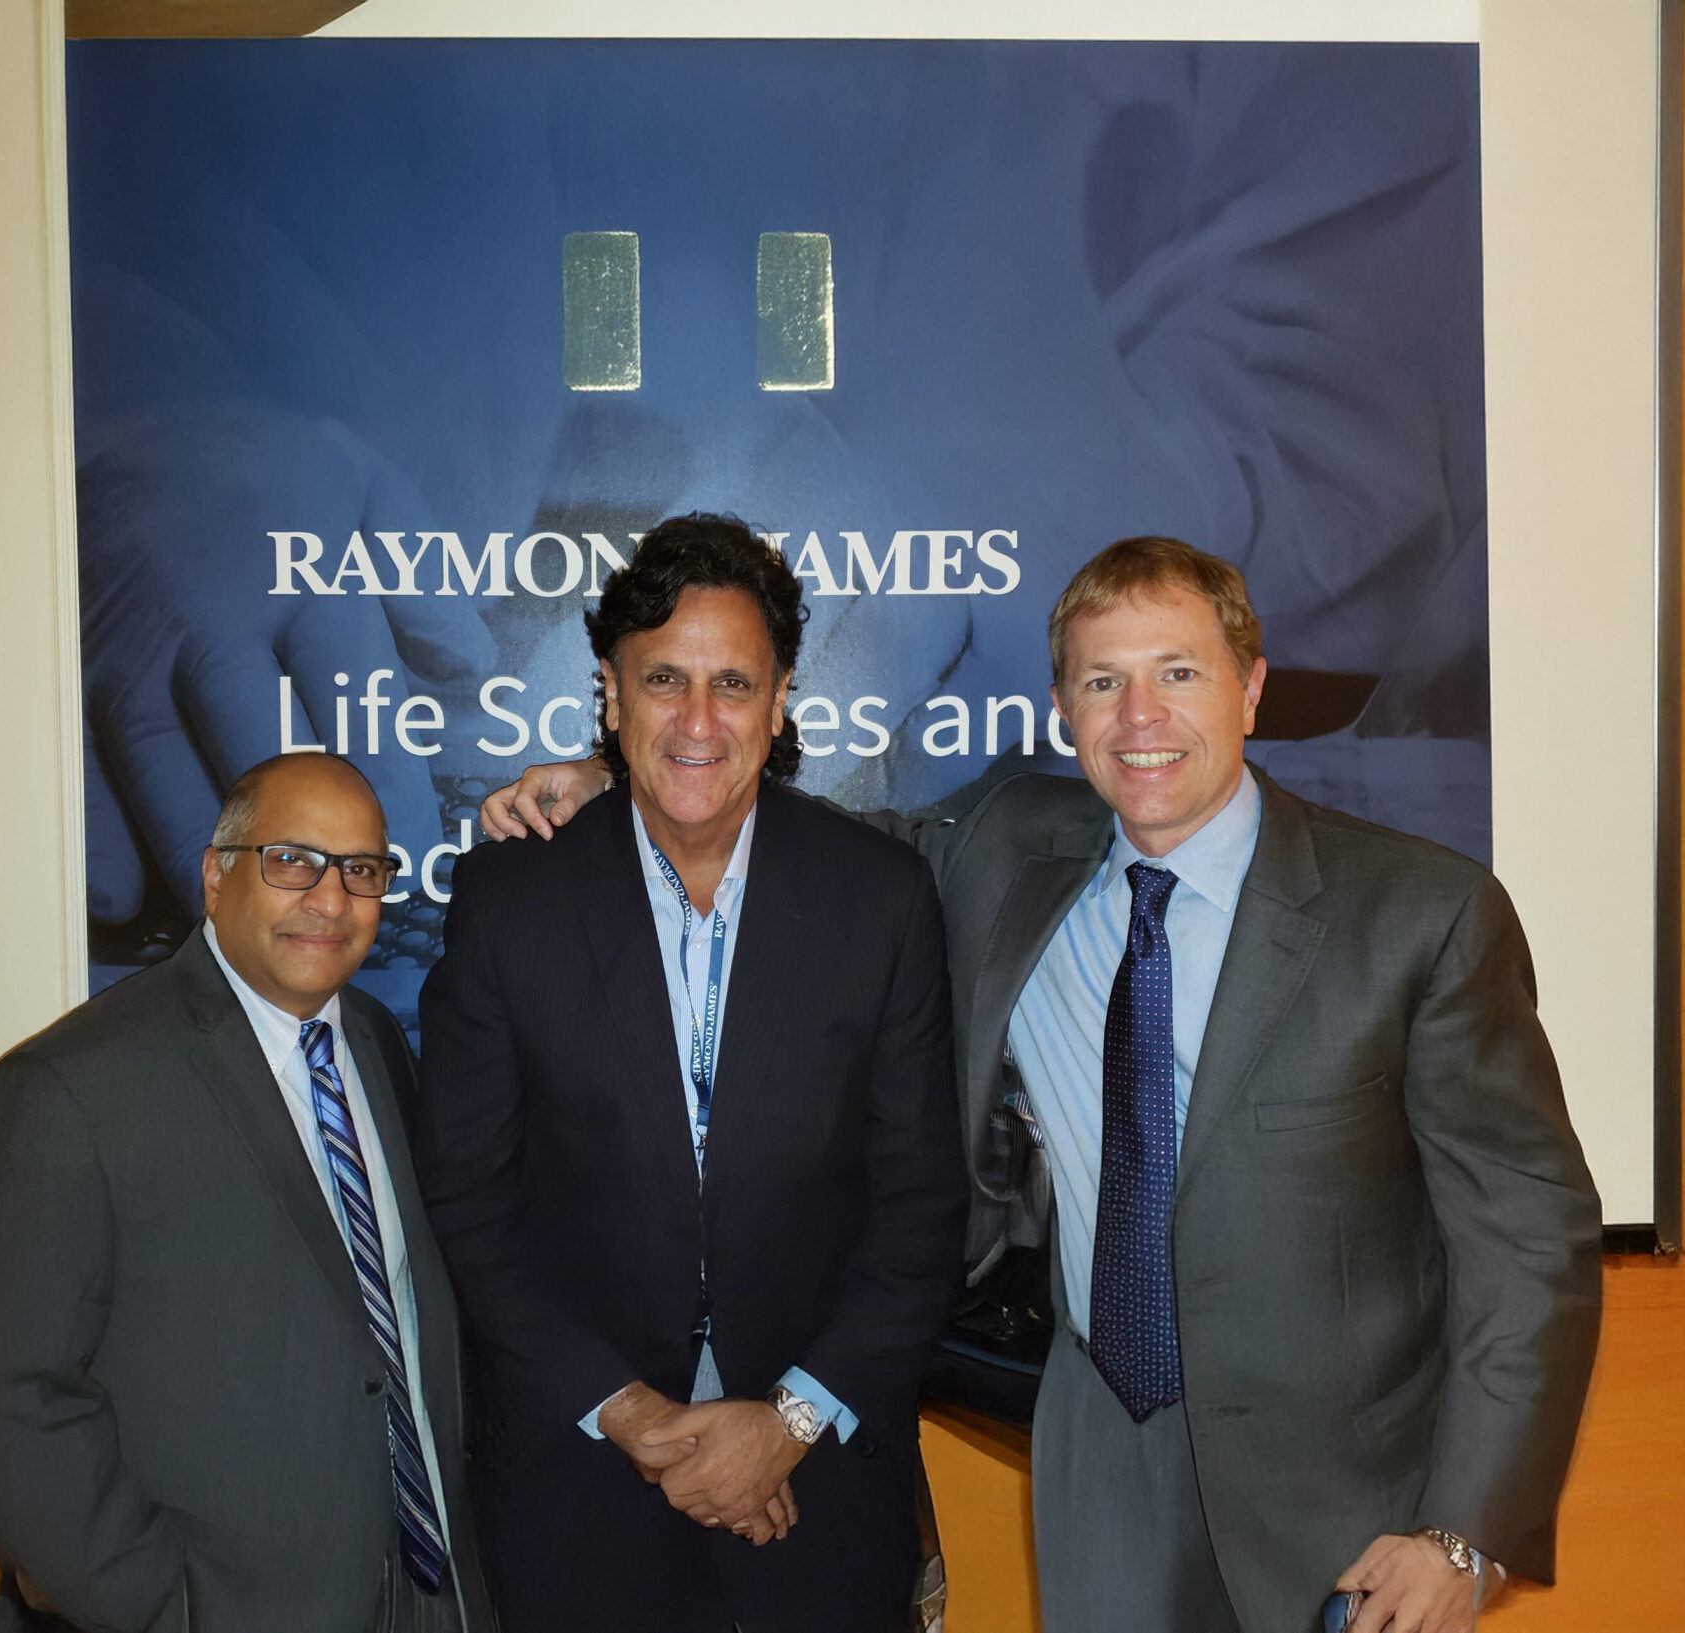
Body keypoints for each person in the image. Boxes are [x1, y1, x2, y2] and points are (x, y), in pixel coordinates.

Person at [478, 536, 1603, 1633]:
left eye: (1178, 674)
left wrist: (1461, 1532)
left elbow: (1528, 1239)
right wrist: (627, 776)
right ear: (1063, 709)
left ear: (1252, 689)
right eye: (1103, 682)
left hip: (1347, 1497)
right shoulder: (1009, 852)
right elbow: (776, 834)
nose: (1140, 717)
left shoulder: (1423, 913)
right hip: (1098, 1455)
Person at [414, 514, 967, 1633]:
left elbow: (919, 1208)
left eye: (734, 683)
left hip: (818, 1484)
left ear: (781, 699)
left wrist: (786, 1423)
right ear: (611, 695)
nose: (699, 720)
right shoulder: (511, 901)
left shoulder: (880, 897)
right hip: (579, 1486)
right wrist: (633, 1416)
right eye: (664, 678)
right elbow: (469, 1202)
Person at [0, 753, 491, 1633]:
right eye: (292, 860)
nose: (330, 899)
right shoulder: (62, 1090)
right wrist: (159, 1604)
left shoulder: (376, 1043)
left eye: (361, 870)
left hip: (417, 1583)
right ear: (216, 876)